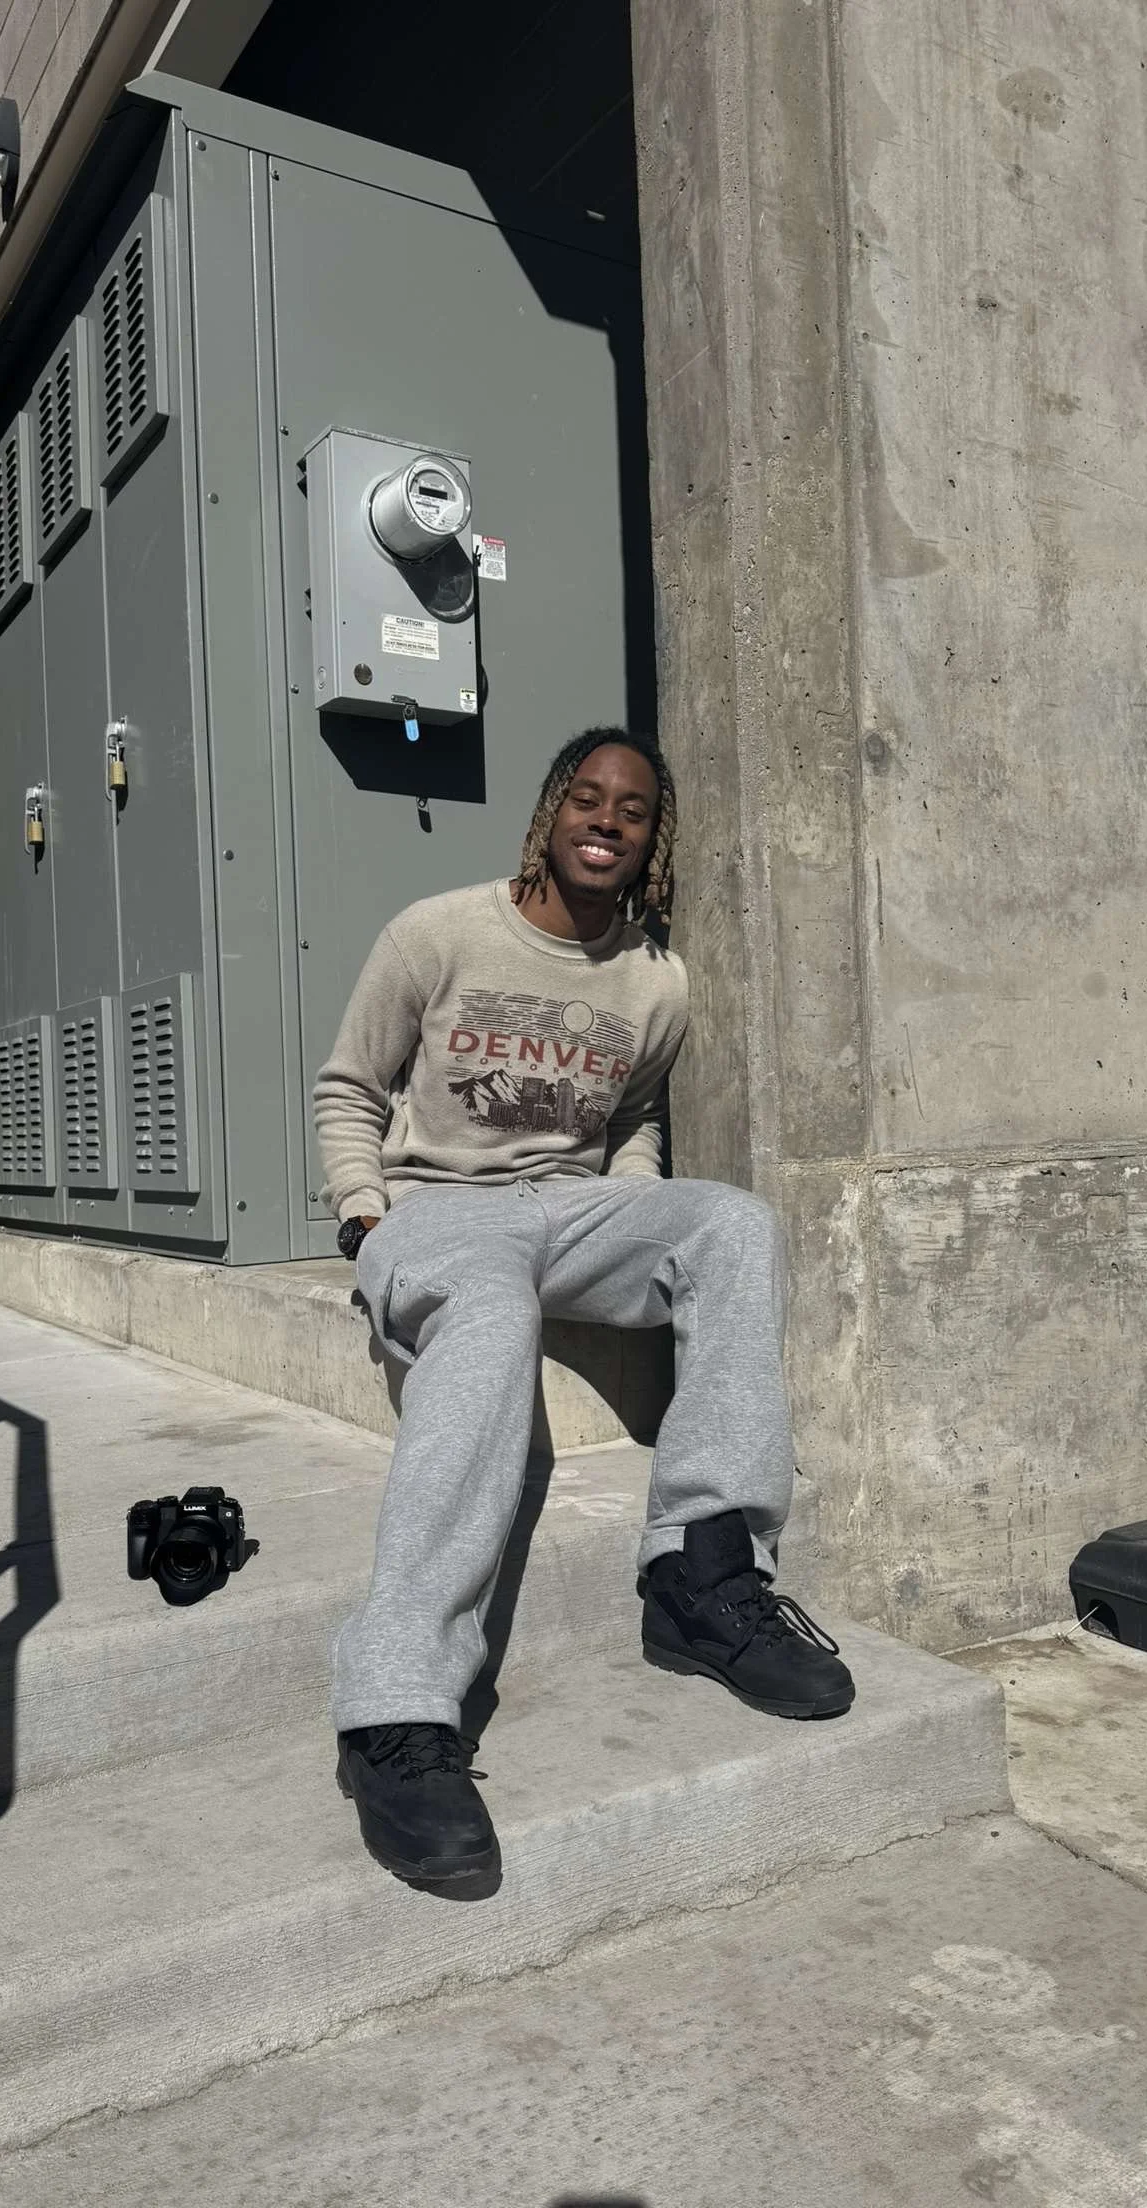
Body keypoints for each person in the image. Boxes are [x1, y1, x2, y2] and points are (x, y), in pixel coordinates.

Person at [314, 727, 852, 1884]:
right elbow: (349, 1089)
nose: (608, 820)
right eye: (588, 799)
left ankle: (702, 1575)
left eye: (635, 809)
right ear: (552, 811)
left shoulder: (656, 983)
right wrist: (365, 1216)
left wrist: (632, 1221)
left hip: (569, 1213)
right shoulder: (438, 933)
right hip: (438, 1214)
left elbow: (632, 1124)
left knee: (735, 1221)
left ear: (654, 841)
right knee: (495, 1314)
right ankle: (398, 1705)